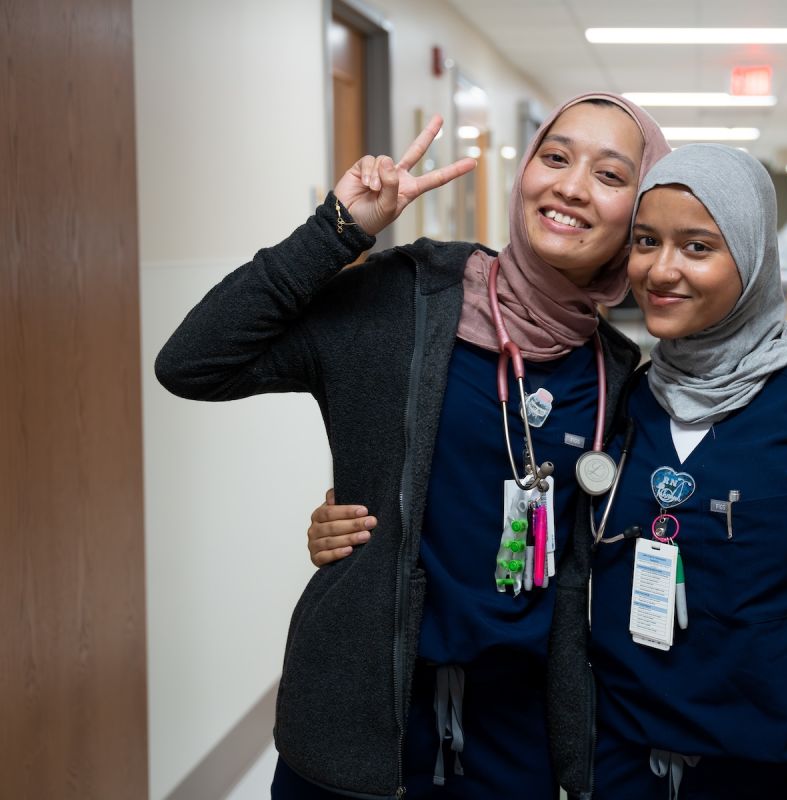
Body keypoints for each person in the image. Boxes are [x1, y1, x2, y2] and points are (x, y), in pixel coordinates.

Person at [306, 144, 787, 799]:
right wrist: (352, 521)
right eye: (646, 241)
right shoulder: (620, 398)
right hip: (622, 763)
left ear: (751, 258)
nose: (662, 270)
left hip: (783, 768)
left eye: (697, 247)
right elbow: (505, 521)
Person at [155, 93, 670, 799]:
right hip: (354, 726)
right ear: (525, 173)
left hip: (514, 742)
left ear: (637, 217)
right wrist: (335, 231)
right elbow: (193, 363)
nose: (572, 187)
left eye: (611, 176)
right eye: (555, 157)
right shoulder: (407, 297)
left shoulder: (616, 372)